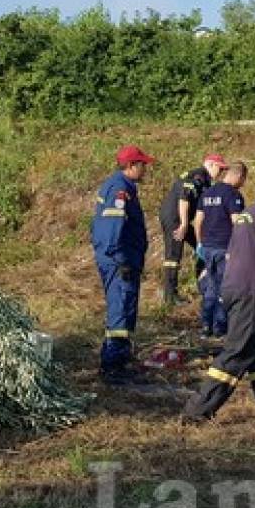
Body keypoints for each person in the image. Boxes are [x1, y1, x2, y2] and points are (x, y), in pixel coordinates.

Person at [182, 175, 255, 423]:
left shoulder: (249, 213)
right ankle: (196, 412)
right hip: (252, 293)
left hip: (243, 290)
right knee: (237, 353)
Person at [91, 145, 154, 383]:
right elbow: (110, 230)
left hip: (124, 259)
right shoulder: (119, 190)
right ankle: (113, 367)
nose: (145, 169)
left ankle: (121, 359)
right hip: (120, 261)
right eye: (142, 165)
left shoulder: (123, 187)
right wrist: (120, 259)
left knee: (125, 309)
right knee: (120, 310)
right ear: (131, 166)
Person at [158, 153, 226, 305]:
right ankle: (170, 296)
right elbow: (184, 199)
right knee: (173, 255)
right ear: (211, 165)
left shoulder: (206, 181)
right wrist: (183, 224)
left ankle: (205, 284)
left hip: (182, 219)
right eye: (220, 169)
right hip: (174, 217)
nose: (221, 173)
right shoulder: (198, 176)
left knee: (201, 246)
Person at [192, 161, 248, 338]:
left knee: (210, 287)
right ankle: (220, 327)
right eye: (244, 179)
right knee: (225, 288)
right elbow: (237, 222)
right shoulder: (233, 195)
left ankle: (206, 326)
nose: (243, 183)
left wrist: (200, 243)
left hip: (207, 248)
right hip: (226, 248)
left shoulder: (208, 193)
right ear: (238, 176)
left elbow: (198, 221)